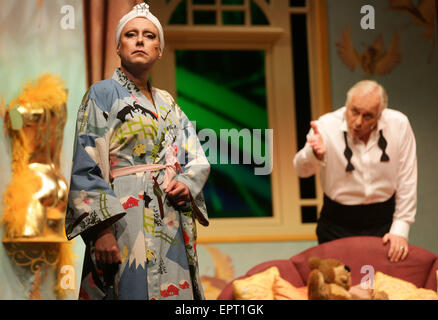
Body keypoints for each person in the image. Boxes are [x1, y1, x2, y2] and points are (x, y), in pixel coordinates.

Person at [66, 3, 210, 300]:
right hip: (124, 220)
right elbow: (86, 165)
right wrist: (102, 231)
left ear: (159, 50)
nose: (141, 40)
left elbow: (193, 154)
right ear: (119, 47)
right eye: (132, 34)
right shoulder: (102, 94)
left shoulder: (168, 102)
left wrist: (186, 182)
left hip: (170, 219)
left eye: (149, 35)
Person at [293, 80, 417, 263]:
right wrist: (314, 154)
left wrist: (401, 228)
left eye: (368, 116)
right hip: (337, 221)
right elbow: (300, 170)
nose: (358, 122)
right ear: (346, 105)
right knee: (338, 287)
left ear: (380, 115)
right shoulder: (325, 126)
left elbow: (407, 178)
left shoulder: (398, 124)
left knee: (378, 286)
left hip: (383, 221)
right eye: (354, 112)